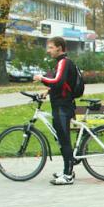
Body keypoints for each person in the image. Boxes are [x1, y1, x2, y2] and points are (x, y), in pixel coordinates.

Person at [33, 36, 78, 185]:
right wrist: (48, 91)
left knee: (64, 140)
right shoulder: (62, 62)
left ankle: (68, 175)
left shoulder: (64, 62)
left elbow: (58, 81)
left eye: (51, 47)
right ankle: (67, 168)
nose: (48, 50)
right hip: (61, 105)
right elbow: (61, 85)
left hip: (63, 106)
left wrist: (42, 78)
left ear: (59, 48)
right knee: (60, 138)